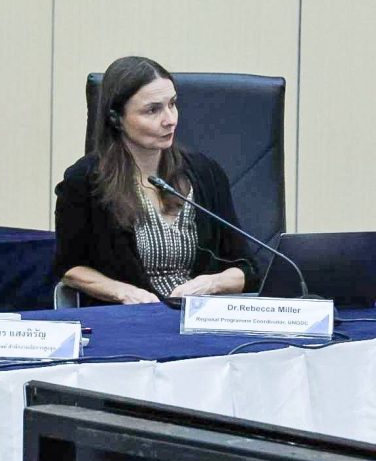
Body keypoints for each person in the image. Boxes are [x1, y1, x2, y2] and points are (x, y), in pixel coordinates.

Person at [52, 56, 258, 306]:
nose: (170, 119)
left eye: (172, 104)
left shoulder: (206, 173)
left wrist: (211, 283)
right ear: (116, 118)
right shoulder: (84, 180)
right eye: (153, 110)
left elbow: (247, 268)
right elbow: (69, 268)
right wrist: (122, 292)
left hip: (200, 314)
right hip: (130, 317)